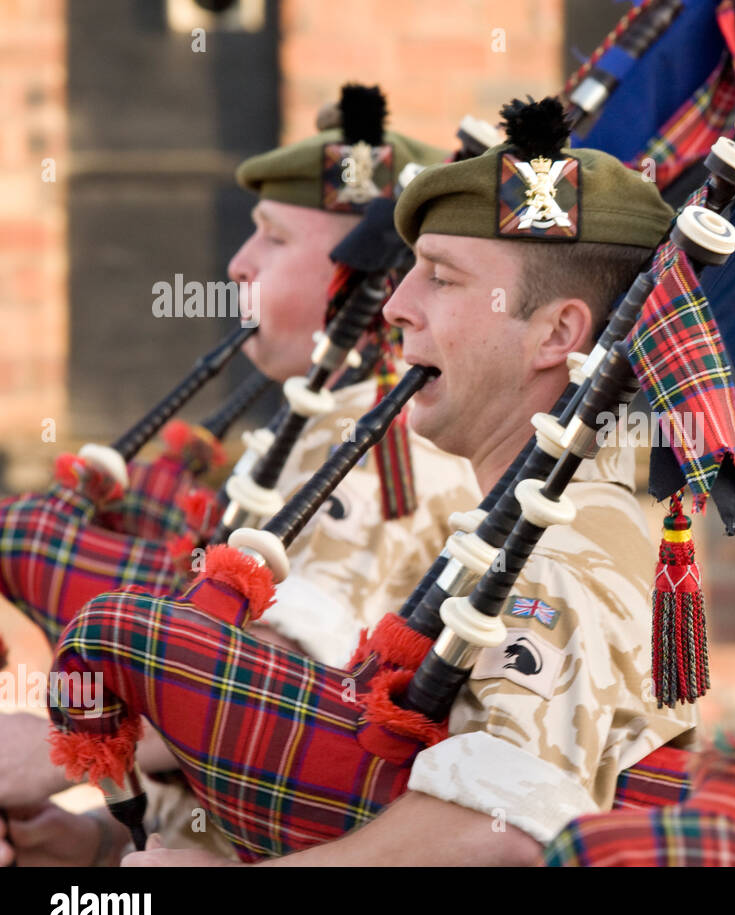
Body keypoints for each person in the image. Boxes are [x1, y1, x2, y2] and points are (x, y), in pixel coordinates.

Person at [50, 98, 698, 866]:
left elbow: (502, 830)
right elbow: (351, 786)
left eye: (442, 279)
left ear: (557, 334)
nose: (394, 305)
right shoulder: (519, 515)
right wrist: (87, 843)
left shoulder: (570, 536)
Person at [0, 85, 480, 866]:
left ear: (356, 277)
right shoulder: (314, 429)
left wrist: (60, 745)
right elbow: (225, 747)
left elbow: (284, 699)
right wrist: (90, 840)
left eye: (272, 237)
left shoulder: (388, 449)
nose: (237, 263)